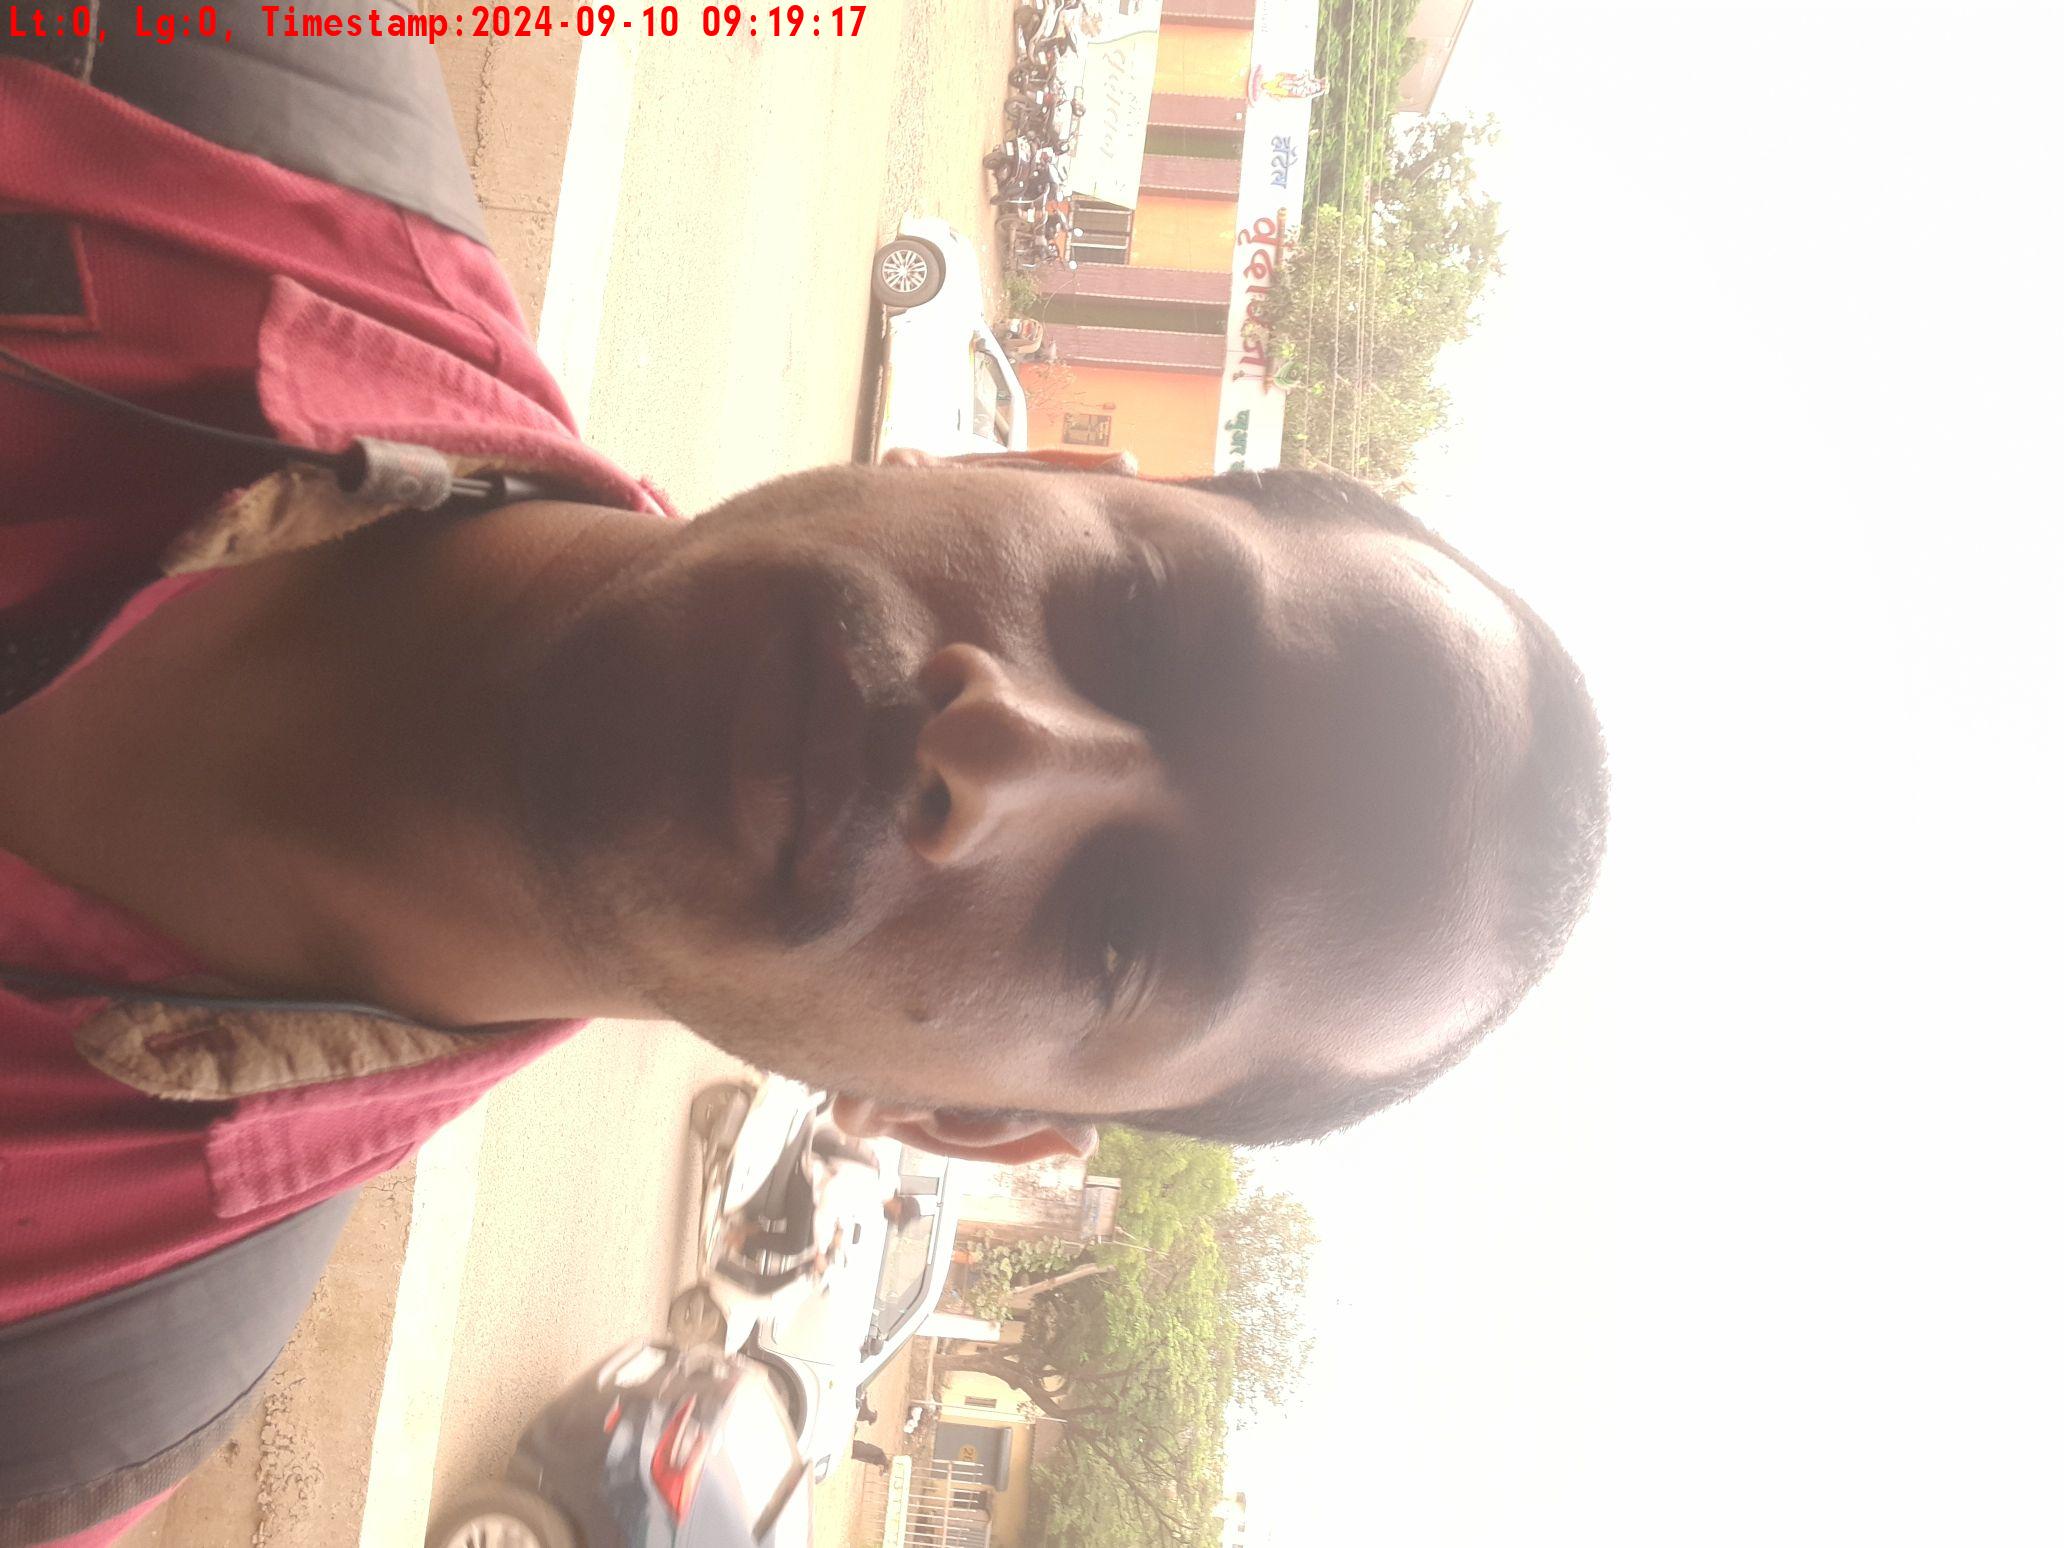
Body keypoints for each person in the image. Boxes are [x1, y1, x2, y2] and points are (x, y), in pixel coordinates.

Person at [0, 23, 1609, 1548]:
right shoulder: (187, 75)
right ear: (1014, 467)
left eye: (1116, 933)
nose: (995, 757)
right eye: (1138, 620)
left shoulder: (58, 1390)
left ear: (964, 1123)